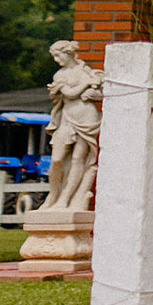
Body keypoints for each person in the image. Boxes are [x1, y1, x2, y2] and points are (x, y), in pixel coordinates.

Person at [45, 40, 103, 212]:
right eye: (54, 56)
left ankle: (65, 199)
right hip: (68, 118)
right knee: (57, 160)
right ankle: (53, 195)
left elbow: (100, 94)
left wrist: (95, 94)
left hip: (88, 118)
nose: (56, 59)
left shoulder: (86, 70)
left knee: (79, 159)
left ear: (68, 53)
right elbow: (70, 94)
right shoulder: (60, 75)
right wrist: (87, 84)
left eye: (58, 55)